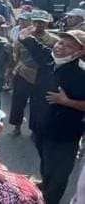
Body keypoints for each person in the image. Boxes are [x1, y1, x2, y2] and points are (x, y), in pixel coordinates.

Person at [18, 28, 85, 204]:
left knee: (59, 173)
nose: (61, 47)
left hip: (64, 135)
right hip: (40, 129)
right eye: (60, 42)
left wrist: (67, 101)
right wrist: (23, 36)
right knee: (46, 163)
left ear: (80, 52)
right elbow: (35, 46)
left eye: (69, 46)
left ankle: (50, 199)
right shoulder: (49, 59)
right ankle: (47, 184)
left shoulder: (81, 75)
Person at [9, 10, 59, 136]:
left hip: (42, 77)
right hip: (23, 73)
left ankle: (35, 129)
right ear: (32, 22)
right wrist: (10, 72)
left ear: (47, 24)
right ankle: (17, 126)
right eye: (36, 22)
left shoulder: (53, 40)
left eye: (42, 22)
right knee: (18, 102)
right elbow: (16, 56)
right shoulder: (23, 36)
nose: (39, 25)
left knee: (38, 105)